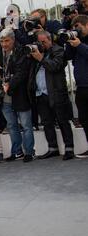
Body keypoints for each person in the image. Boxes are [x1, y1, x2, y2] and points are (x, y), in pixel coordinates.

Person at [28, 31, 75, 161]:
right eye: (39, 42)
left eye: (44, 42)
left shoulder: (58, 50)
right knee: (47, 122)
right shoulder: (36, 53)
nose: (41, 44)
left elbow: (56, 66)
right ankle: (52, 148)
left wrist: (41, 59)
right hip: (40, 93)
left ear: (50, 40)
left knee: (62, 121)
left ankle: (69, 148)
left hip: (55, 92)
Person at [0, 28, 35, 163]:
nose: (4, 44)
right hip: (5, 96)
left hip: (20, 93)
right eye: (1, 41)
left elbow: (21, 73)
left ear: (13, 39)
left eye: (6, 41)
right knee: (12, 125)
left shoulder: (21, 52)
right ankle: (16, 151)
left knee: (26, 125)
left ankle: (29, 152)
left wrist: (9, 85)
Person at [65, 15, 88, 158]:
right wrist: (68, 42)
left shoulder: (81, 43)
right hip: (81, 85)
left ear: (86, 25)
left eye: (78, 26)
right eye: (74, 28)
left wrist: (79, 45)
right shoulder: (75, 41)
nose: (76, 30)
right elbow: (67, 57)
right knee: (84, 119)